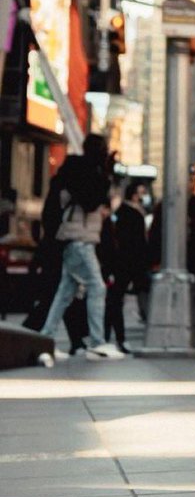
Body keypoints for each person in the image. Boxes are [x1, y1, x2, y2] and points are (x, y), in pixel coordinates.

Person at [40, 134, 125, 361]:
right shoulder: (81, 172)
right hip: (78, 239)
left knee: (64, 293)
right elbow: (90, 201)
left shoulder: (78, 170)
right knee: (97, 287)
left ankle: (45, 339)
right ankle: (97, 342)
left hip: (77, 238)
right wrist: (105, 175)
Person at [101, 181, 150, 353]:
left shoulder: (123, 212)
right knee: (114, 301)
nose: (143, 196)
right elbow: (136, 243)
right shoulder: (130, 214)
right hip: (125, 264)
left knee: (113, 301)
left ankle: (108, 337)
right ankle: (113, 338)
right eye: (141, 192)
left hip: (121, 264)